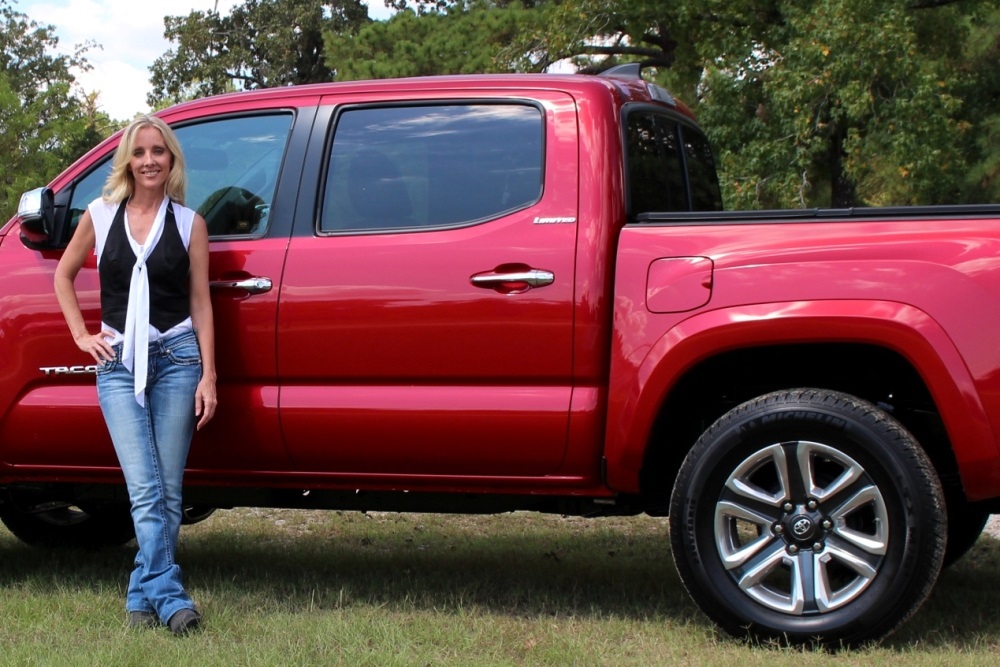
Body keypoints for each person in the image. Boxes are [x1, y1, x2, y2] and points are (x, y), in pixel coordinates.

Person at [54, 115, 217, 636]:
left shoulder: (191, 223)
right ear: (127, 159)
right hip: (118, 364)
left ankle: (139, 597)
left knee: (168, 492)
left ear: (172, 160)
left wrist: (209, 374)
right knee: (144, 489)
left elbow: (201, 302)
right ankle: (170, 597)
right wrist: (82, 335)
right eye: (140, 151)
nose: (150, 160)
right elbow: (63, 274)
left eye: (159, 151)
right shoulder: (100, 215)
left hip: (178, 358)